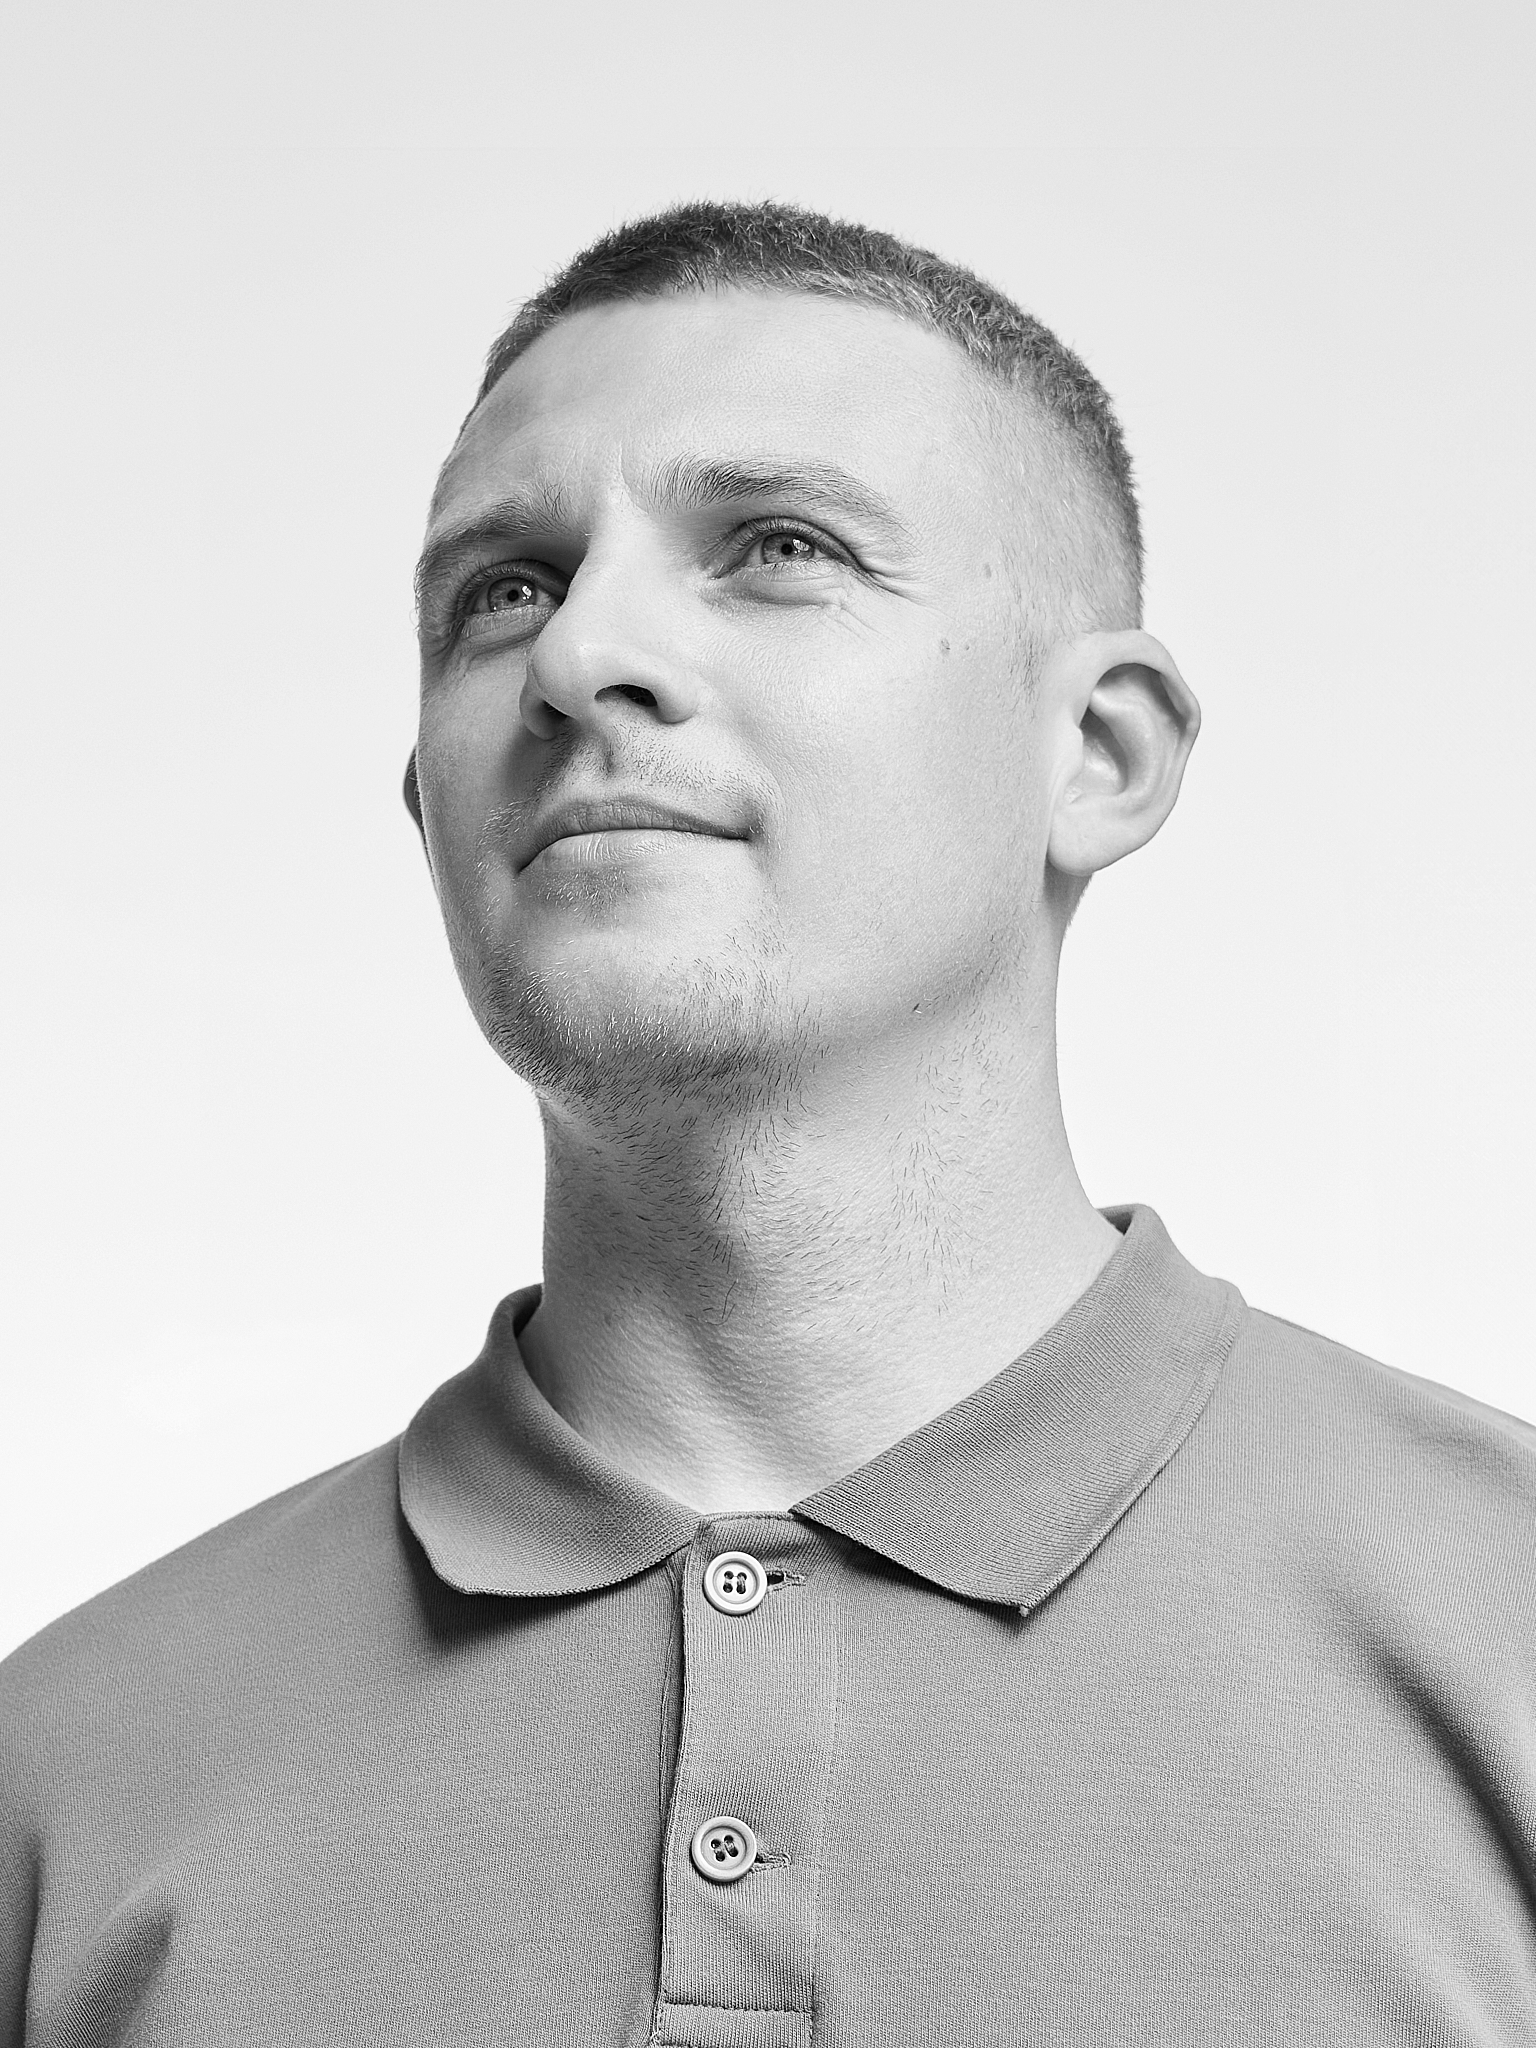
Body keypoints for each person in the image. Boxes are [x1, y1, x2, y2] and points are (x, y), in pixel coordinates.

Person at [2, 199, 1532, 2048]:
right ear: (429, 807)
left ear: (1101, 754)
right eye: (506, 588)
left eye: (780, 549)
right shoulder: (59, 1777)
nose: (578, 655)